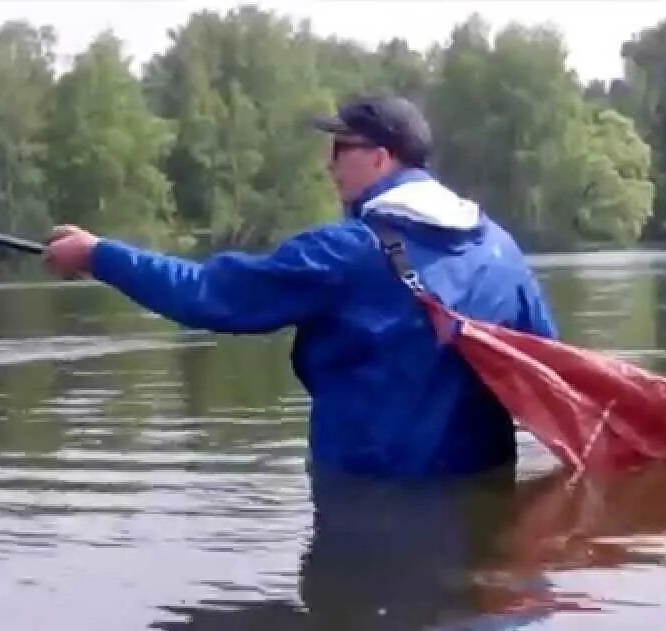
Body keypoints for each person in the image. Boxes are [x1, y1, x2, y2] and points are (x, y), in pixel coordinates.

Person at [42, 95, 559, 483]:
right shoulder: (503, 251)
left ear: (381, 158)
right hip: (482, 497)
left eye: (340, 149)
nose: (329, 165)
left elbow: (207, 294)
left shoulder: (345, 251)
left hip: (368, 506)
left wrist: (99, 255)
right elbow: (555, 380)